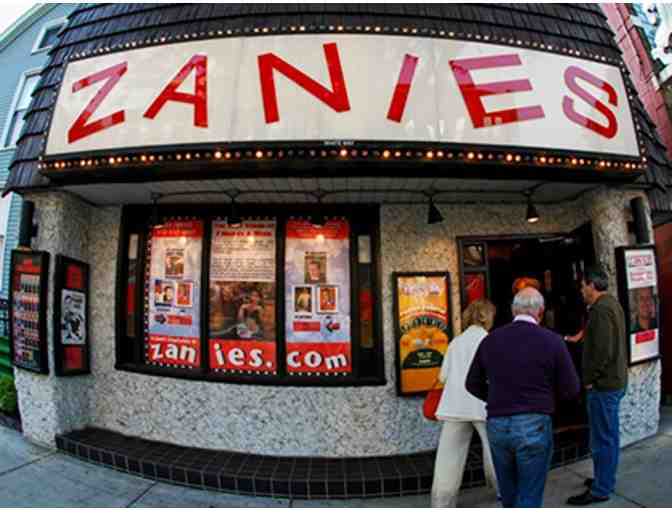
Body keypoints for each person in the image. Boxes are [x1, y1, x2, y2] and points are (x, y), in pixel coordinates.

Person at [466, 287, 581, 508]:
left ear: (513, 310)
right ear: (541, 312)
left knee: (508, 495)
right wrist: (547, 398)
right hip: (534, 422)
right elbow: (571, 388)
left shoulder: (490, 340)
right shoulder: (552, 341)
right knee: (529, 496)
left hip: (498, 423)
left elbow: (472, 383)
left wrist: (496, 398)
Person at [567, 267, 627, 506]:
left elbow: (602, 351)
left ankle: (601, 489)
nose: (581, 290)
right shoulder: (610, 304)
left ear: (592, 285)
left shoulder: (601, 310)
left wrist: (589, 379)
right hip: (613, 382)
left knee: (603, 439)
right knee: (606, 436)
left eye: (583, 286)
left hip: (604, 385)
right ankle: (604, 479)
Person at [431, 299, 498, 508]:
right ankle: (502, 492)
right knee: (495, 452)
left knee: (448, 458)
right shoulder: (490, 341)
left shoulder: (456, 342)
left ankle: (442, 502)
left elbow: (442, 377)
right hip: (482, 405)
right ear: (488, 317)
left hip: (454, 406)